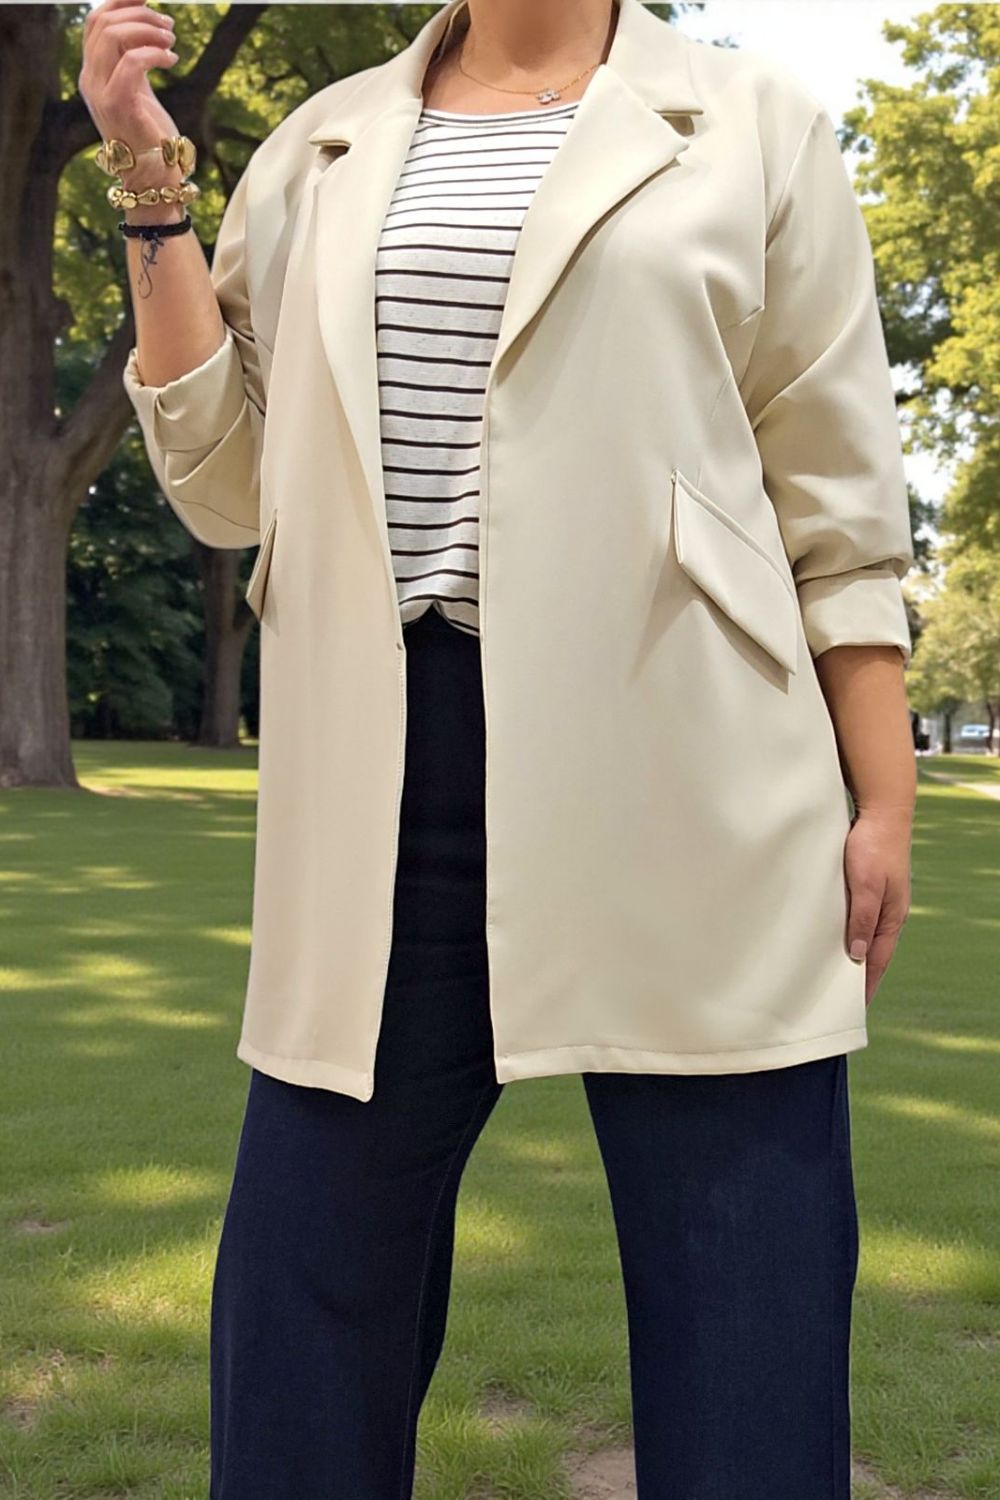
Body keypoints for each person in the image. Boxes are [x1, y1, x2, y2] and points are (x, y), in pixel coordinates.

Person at [80, 1, 917, 1496]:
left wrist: (885, 795)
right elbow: (223, 483)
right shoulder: (320, 145)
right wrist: (151, 187)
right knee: (301, 1311)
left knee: (747, 1306)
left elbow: (837, 496)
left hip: (694, 767)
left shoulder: (753, 127)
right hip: (380, 782)